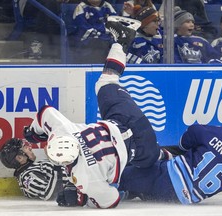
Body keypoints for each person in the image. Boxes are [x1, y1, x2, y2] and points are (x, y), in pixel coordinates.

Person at [22, 17, 170, 208]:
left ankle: (174, 156)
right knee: (107, 82)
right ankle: (122, 42)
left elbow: (111, 200)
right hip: (125, 119)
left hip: (142, 147)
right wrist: (33, 133)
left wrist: (82, 196)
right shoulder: (64, 130)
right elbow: (45, 112)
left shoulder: (84, 177)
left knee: (153, 160)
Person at [118, 120, 222, 205]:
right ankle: (130, 191)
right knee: (143, 188)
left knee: (123, 175)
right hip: (178, 199)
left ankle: (111, 187)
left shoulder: (217, 133)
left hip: (165, 177)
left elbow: (191, 133)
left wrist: (187, 147)